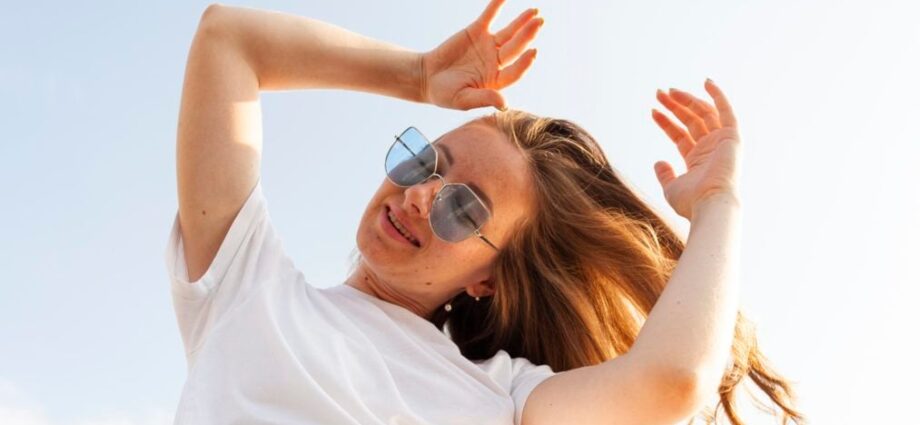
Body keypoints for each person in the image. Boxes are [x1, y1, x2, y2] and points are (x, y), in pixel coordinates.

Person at [166, 1, 806, 424]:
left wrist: (719, 204)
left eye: (463, 208)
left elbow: (669, 383)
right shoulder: (246, 286)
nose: (421, 195)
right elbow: (228, 39)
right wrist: (417, 75)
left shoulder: (503, 395)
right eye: (427, 162)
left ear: (488, 280)